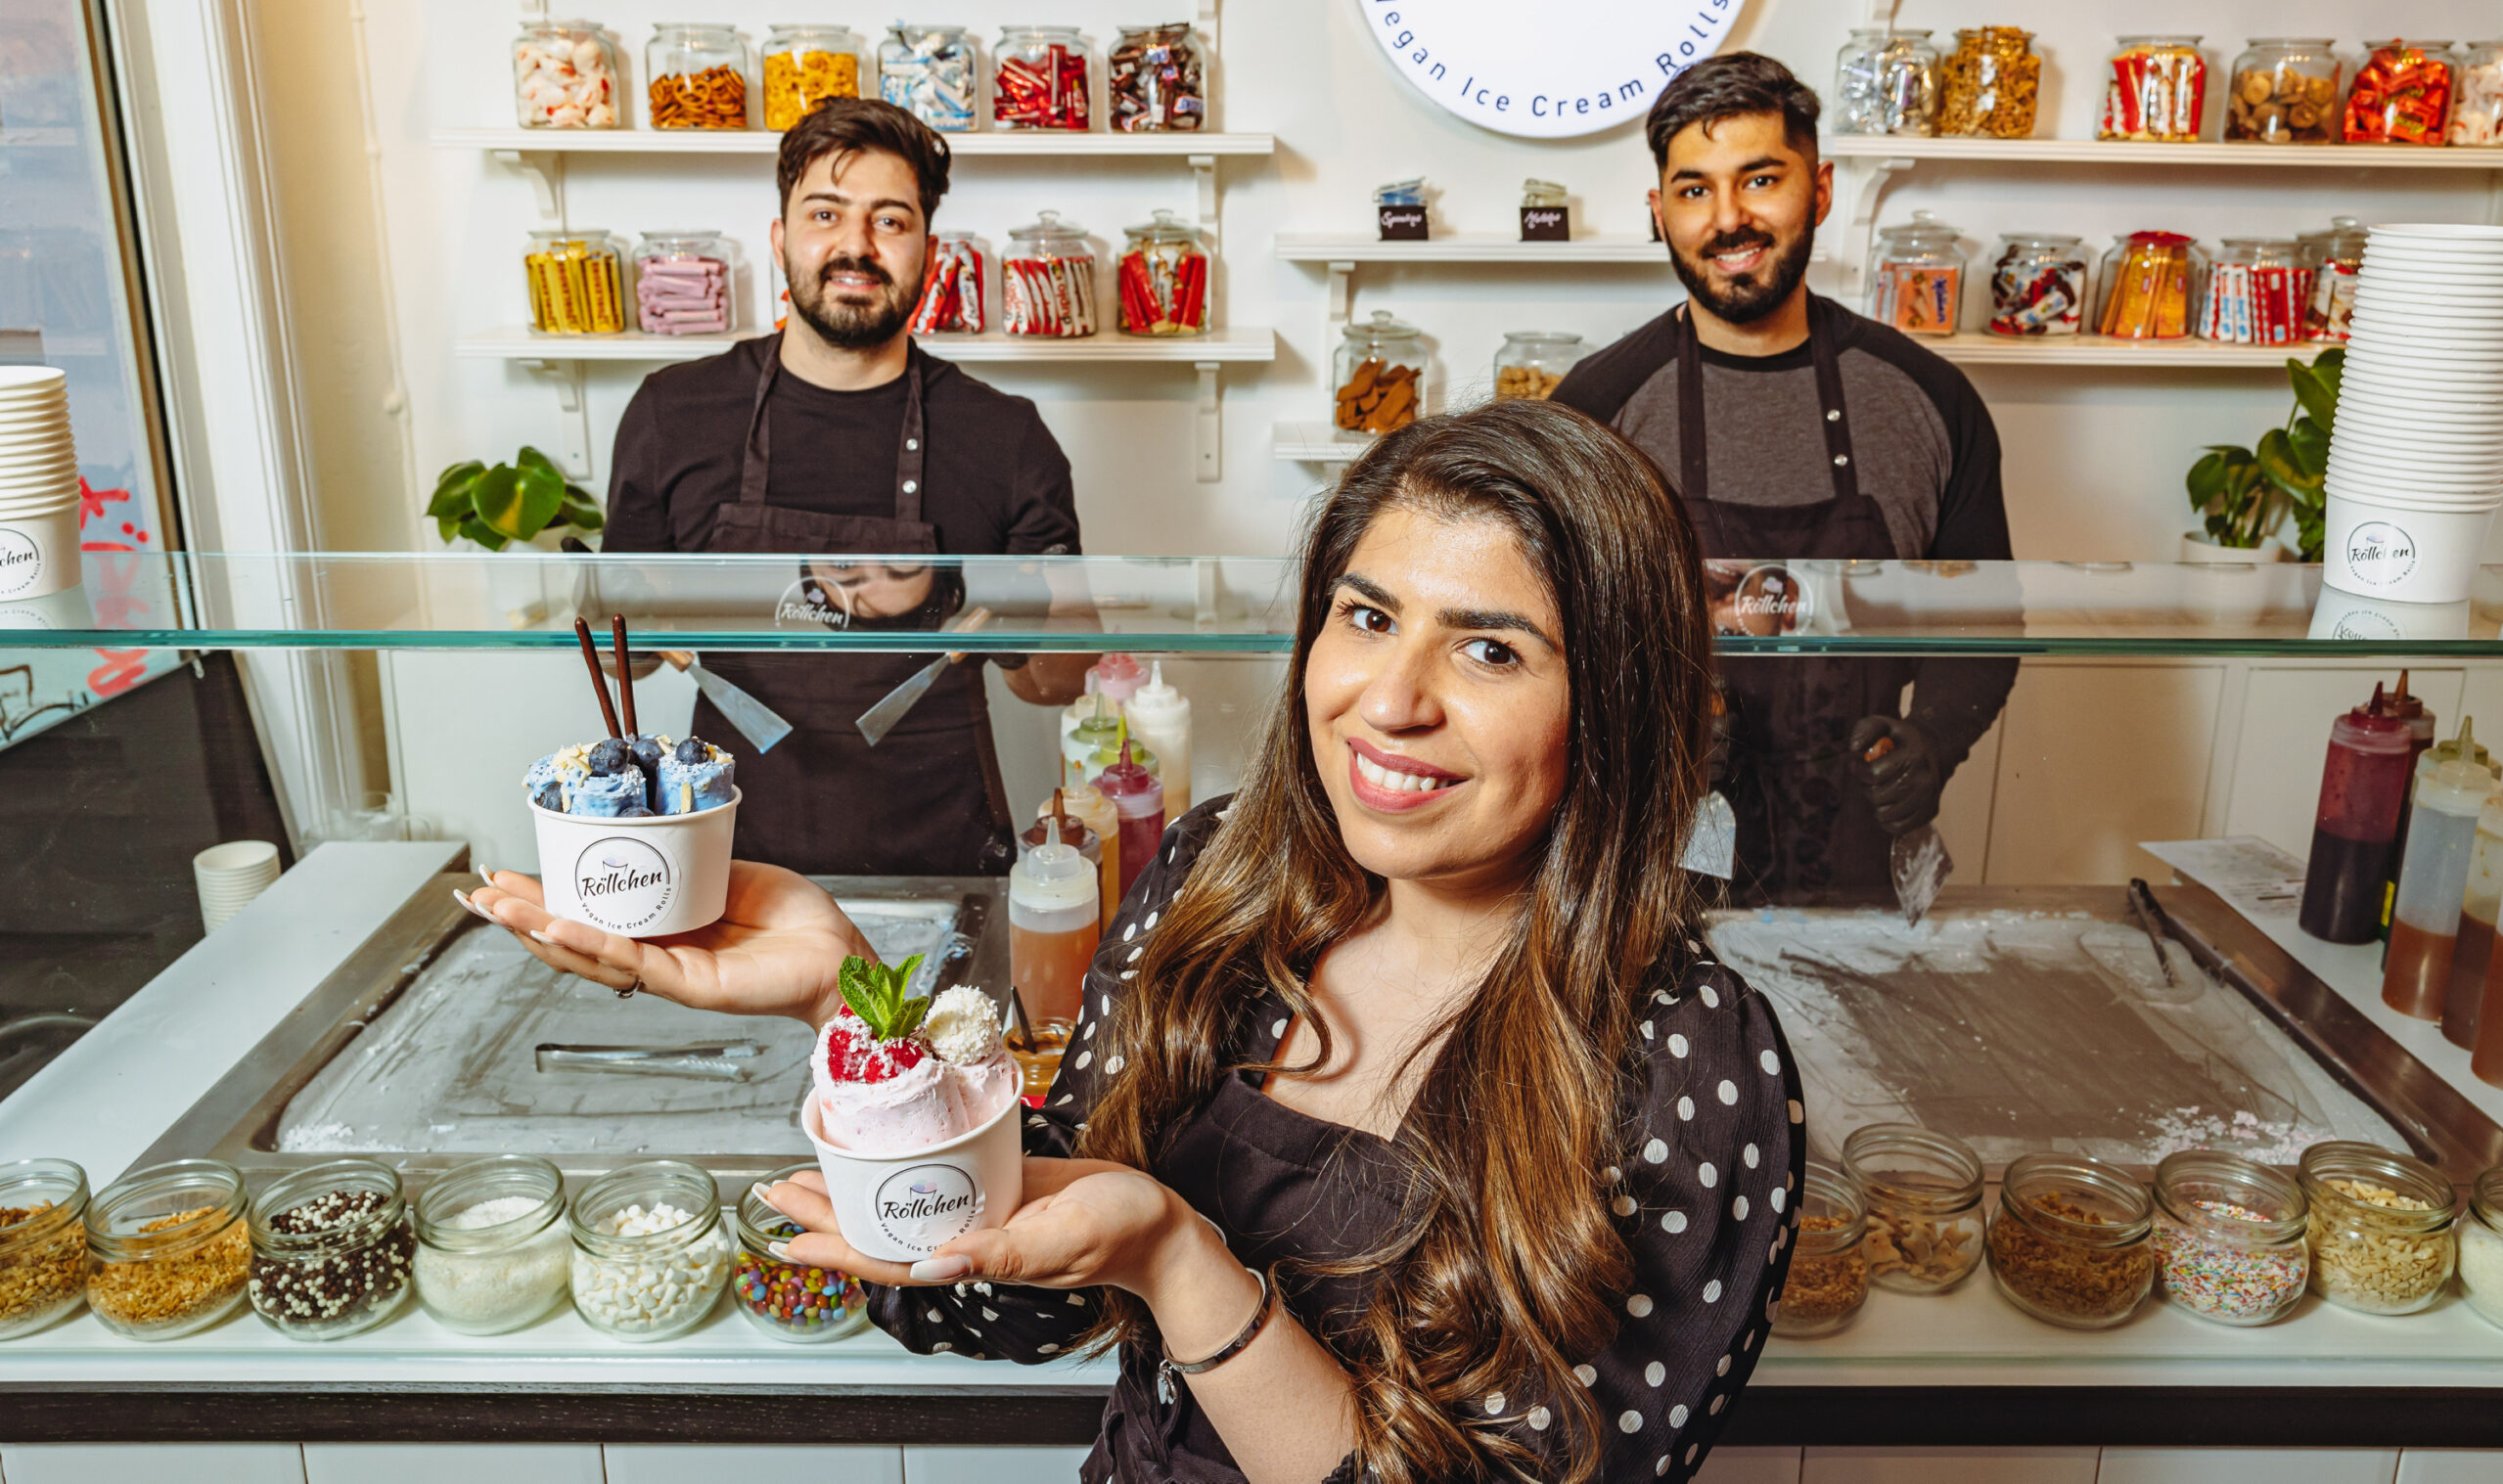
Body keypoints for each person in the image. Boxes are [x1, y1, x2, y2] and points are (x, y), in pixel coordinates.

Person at [470, 401, 1804, 1484]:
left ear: (1615, 701)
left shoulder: (1690, 1059)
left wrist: (1180, 1258)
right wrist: (843, 1006)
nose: (1389, 702)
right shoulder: (1227, 881)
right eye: (1368, 614)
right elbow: (1025, 1297)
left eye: (1494, 653)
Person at [1551, 51, 2018, 905]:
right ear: (1659, 212)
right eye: (1694, 191)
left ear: (1822, 189)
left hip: (1860, 868)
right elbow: (1547, 634)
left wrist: (1931, 741)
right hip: (1648, 883)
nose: (1730, 220)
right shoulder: (1598, 408)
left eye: (1761, 179)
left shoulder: (1929, 400)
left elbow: (1984, 620)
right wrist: (1651, 733)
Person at [603, 99, 1091, 877]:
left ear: (929, 250)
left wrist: (1016, 621)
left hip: (943, 867)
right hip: (723, 872)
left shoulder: (1005, 436)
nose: (855, 247)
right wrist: (618, 613)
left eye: (890, 221)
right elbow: (624, 654)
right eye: (825, 214)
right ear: (780, 238)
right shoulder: (673, 414)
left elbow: (1060, 682)